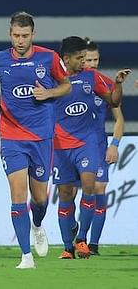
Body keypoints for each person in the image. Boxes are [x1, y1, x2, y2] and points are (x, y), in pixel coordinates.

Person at [0, 11, 71, 269]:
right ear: (9, 34)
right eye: (15, 35)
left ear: (33, 34)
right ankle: (25, 257)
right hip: (11, 136)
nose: (20, 40)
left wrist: (49, 92)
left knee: (40, 199)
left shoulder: (49, 57)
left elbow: (66, 85)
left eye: (25, 35)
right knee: (17, 194)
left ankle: (38, 224)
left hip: (42, 136)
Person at [52, 36, 130, 260]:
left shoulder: (93, 78)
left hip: (90, 144)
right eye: (83, 58)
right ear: (67, 59)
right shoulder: (51, 79)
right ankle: (68, 247)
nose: (87, 62)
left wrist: (117, 83)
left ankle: (84, 241)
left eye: (90, 58)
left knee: (93, 187)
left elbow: (114, 104)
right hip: (60, 146)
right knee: (66, 193)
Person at [84, 38, 124, 256]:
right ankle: (74, 237)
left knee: (99, 190)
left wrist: (115, 145)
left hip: (99, 146)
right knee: (69, 193)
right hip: (72, 146)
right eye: (88, 59)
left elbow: (119, 120)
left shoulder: (108, 84)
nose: (92, 63)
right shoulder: (68, 83)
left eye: (95, 59)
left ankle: (94, 244)